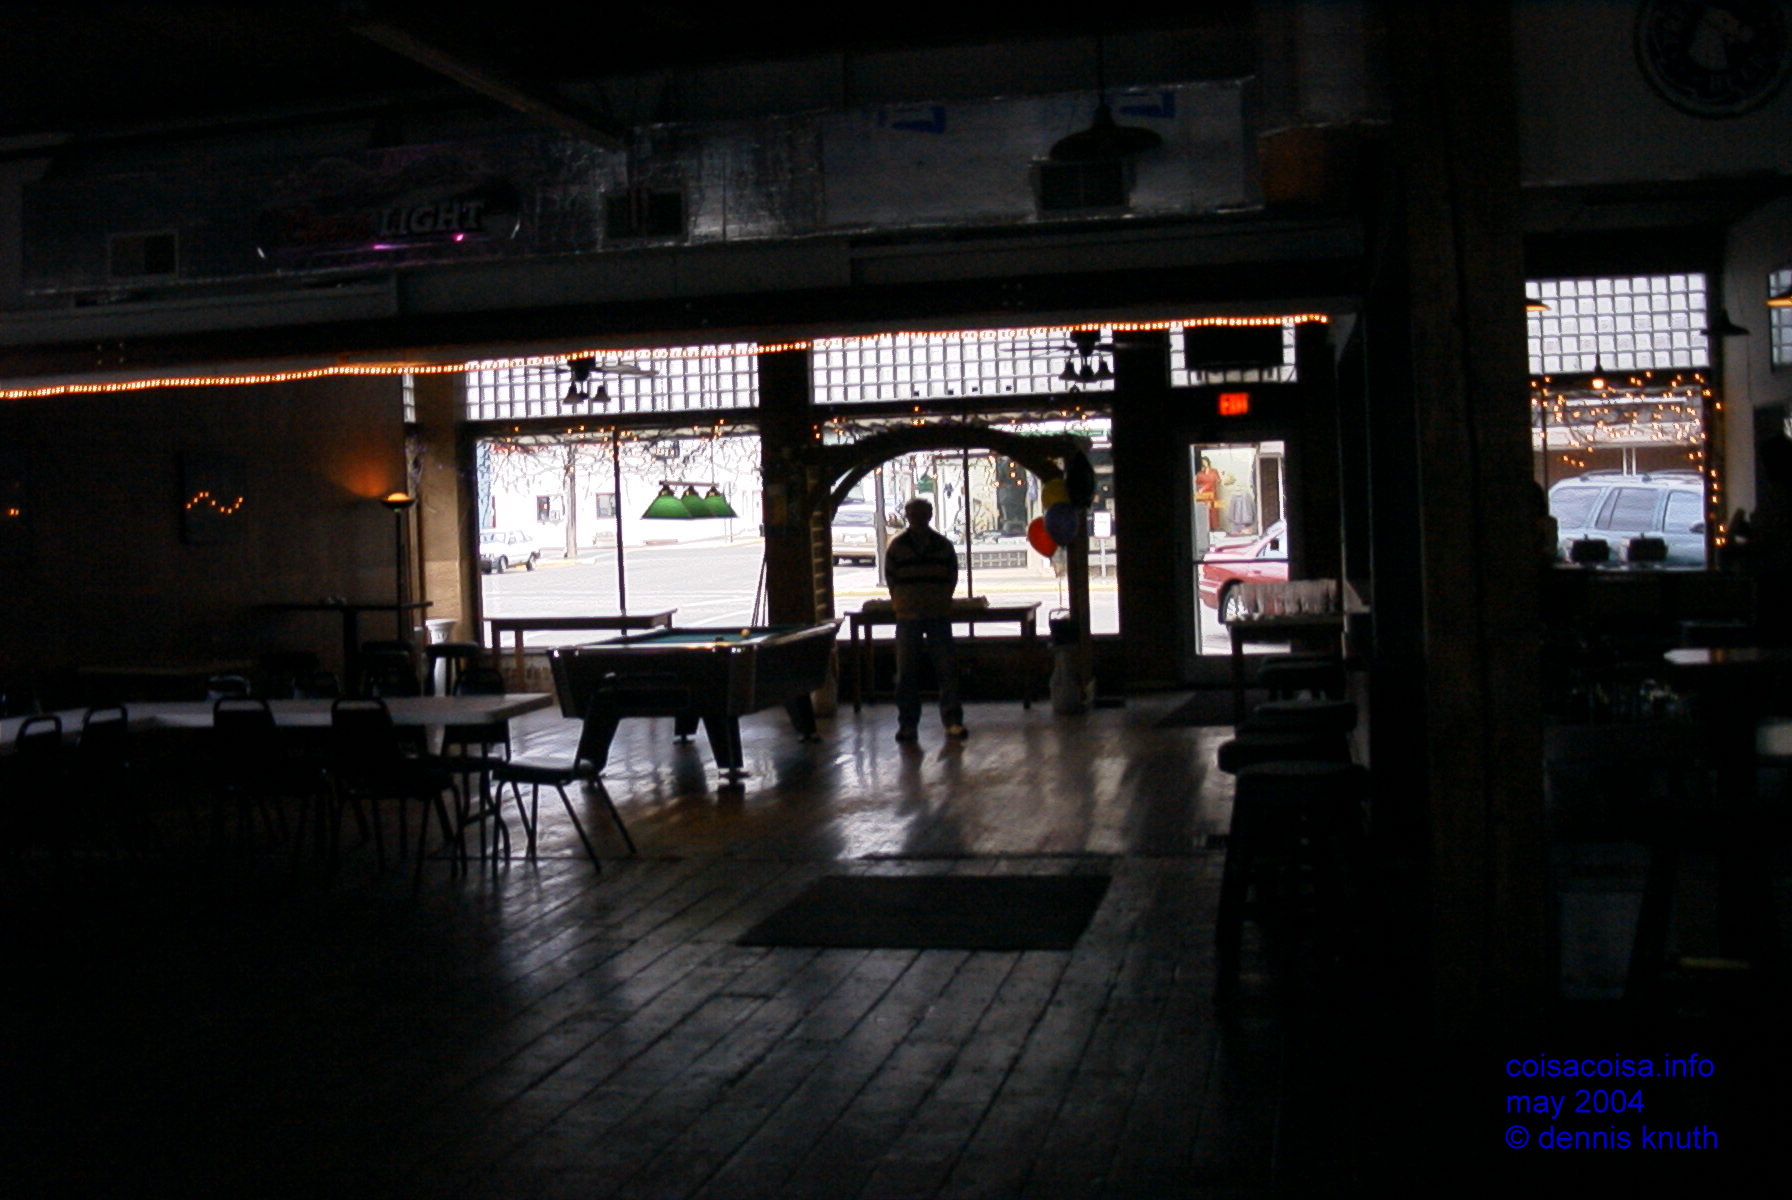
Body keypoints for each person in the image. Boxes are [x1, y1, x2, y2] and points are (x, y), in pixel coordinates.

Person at [885, 497, 966, 742]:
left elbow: (951, 576)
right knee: (907, 672)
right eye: (914, 514)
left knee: (945, 670)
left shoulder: (941, 545)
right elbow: (891, 578)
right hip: (911, 614)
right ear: (908, 517)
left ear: (929, 516)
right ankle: (908, 724)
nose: (918, 519)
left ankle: (951, 721)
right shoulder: (899, 546)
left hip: (934, 613)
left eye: (921, 514)